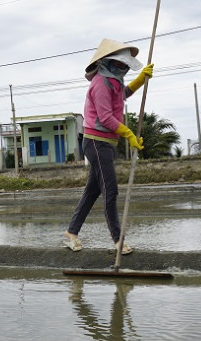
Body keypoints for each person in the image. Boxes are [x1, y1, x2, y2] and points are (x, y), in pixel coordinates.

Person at [64, 38, 153, 254]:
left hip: (106, 144)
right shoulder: (100, 83)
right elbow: (105, 118)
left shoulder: (113, 82)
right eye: (121, 64)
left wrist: (141, 79)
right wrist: (129, 133)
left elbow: (121, 96)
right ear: (108, 62)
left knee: (92, 191)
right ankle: (118, 241)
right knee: (110, 191)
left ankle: (71, 233)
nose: (124, 67)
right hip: (96, 142)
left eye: (126, 65)